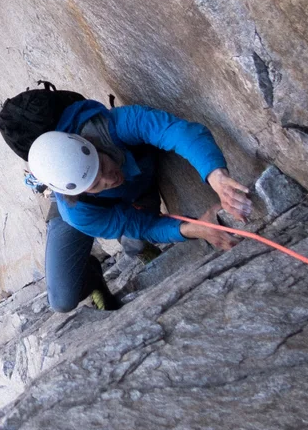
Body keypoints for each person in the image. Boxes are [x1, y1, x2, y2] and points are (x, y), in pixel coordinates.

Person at [22, 95, 251, 313]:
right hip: (78, 210)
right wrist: (195, 230)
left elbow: (176, 131)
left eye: (101, 166)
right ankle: (92, 275)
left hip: (125, 192)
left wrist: (216, 176)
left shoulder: (115, 125)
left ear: (92, 146)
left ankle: (136, 247)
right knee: (61, 300)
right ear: (83, 191)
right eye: (97, 183)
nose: (109, 179)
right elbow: (141, 225)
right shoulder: (78, 212)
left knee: (135, 242)